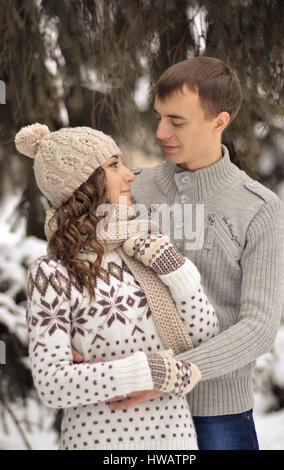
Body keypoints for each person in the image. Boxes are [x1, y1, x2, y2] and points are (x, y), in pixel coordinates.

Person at [95, 56, 284, 450]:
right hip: (131, 415)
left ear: (220, 121)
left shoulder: (260, 208)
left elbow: (258, 328)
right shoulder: (132, 191)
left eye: (177, 121)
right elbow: (94, 282)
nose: (161, 131)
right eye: (159, 116)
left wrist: (172, 373)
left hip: (218, 416)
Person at [15, 123, 219, 450]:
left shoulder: (147, 248)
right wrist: (148, 370)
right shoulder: (53, 273)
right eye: (113, 165)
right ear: (83, 185)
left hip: (174, 444)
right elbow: (53, 384)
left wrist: (177, 270)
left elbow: (206, 337)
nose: (129, 174)